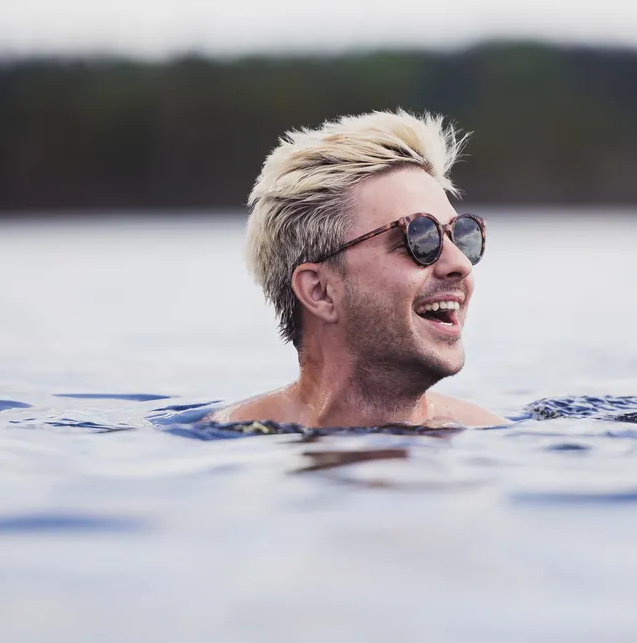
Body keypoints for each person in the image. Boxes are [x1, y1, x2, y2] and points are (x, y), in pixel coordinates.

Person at [208, 110, 506, 428]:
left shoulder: (492, 436)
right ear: (320, 291)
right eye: (420, 238)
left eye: (460, 235)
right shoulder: (221, 440)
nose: (460, 264)